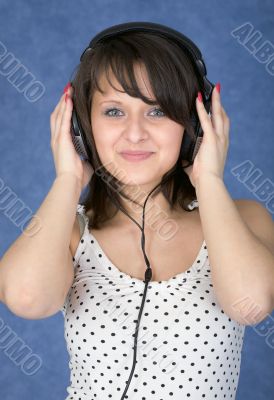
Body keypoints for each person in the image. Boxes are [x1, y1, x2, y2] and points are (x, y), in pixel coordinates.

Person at [0, 26, 273, 400]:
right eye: (114, 111)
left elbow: (251, 305)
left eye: (157, 110)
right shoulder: (70, 231)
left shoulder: (244, 219)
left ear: (194, 125)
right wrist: (68, 177)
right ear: (81, 126)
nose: (135, 133)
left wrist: (208, 177)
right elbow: (26, 298)